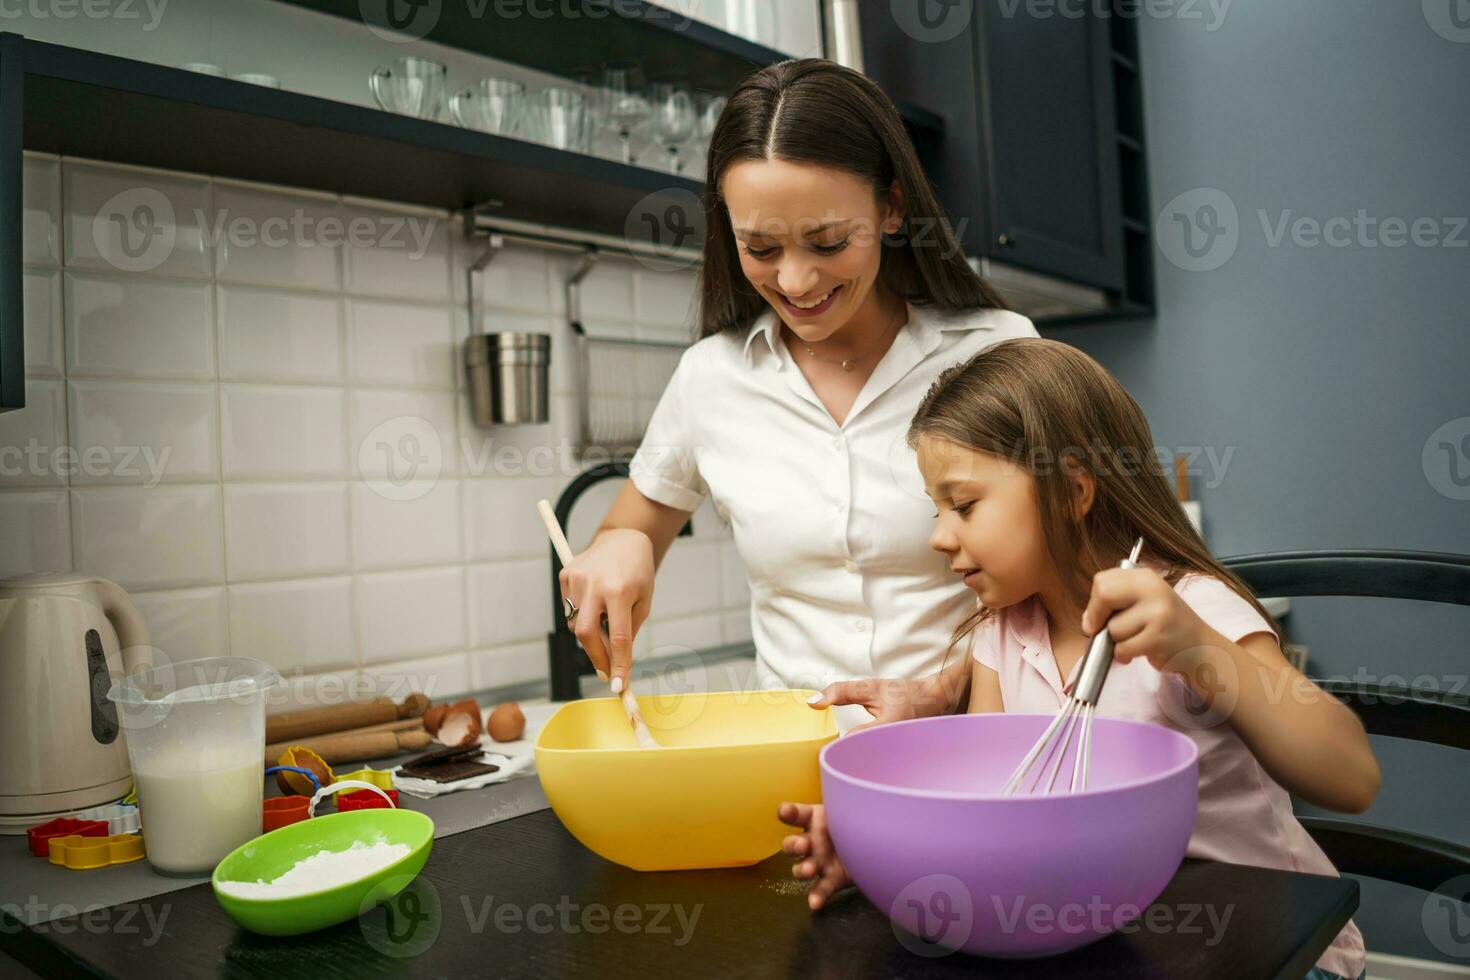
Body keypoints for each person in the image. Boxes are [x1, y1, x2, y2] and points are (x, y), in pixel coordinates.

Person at [782, 338, 1377, 980]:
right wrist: (880, 856)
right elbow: (995, 826)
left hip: (1268, 949)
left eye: (964, 505)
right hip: (1113, 941)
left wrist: (1201, 651)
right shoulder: (1002, 636)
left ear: (1072, 492)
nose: (938, 535)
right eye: (936, 509)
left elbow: (1351, 777)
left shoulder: (1191, 610)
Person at [558, 59, 1035, 714]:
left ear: (892, 206)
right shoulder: (711, 377)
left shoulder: (998, 351)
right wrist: (620, 548)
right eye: (760, 248)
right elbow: (627, 530)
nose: (796, 282)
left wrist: (942, 693)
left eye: (828, 241)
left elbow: (1069, 578)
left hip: (971, 749)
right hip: (790, 772)